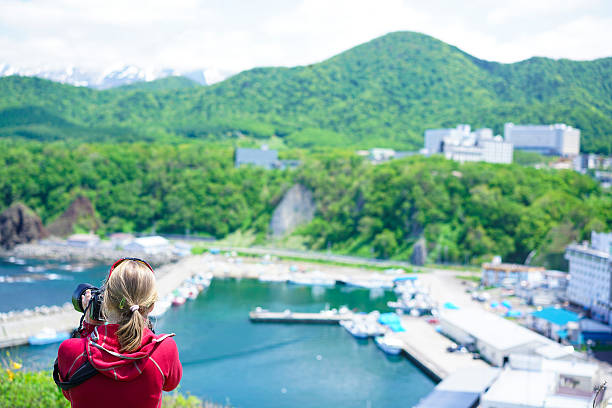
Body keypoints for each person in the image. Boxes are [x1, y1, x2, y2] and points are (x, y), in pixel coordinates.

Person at [56, 258, 182, 408]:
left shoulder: (70, 350)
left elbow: (69, 393)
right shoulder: (165, 349)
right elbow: (170, 385)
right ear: (152, 305)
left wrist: (90, 327)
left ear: (106, 300)